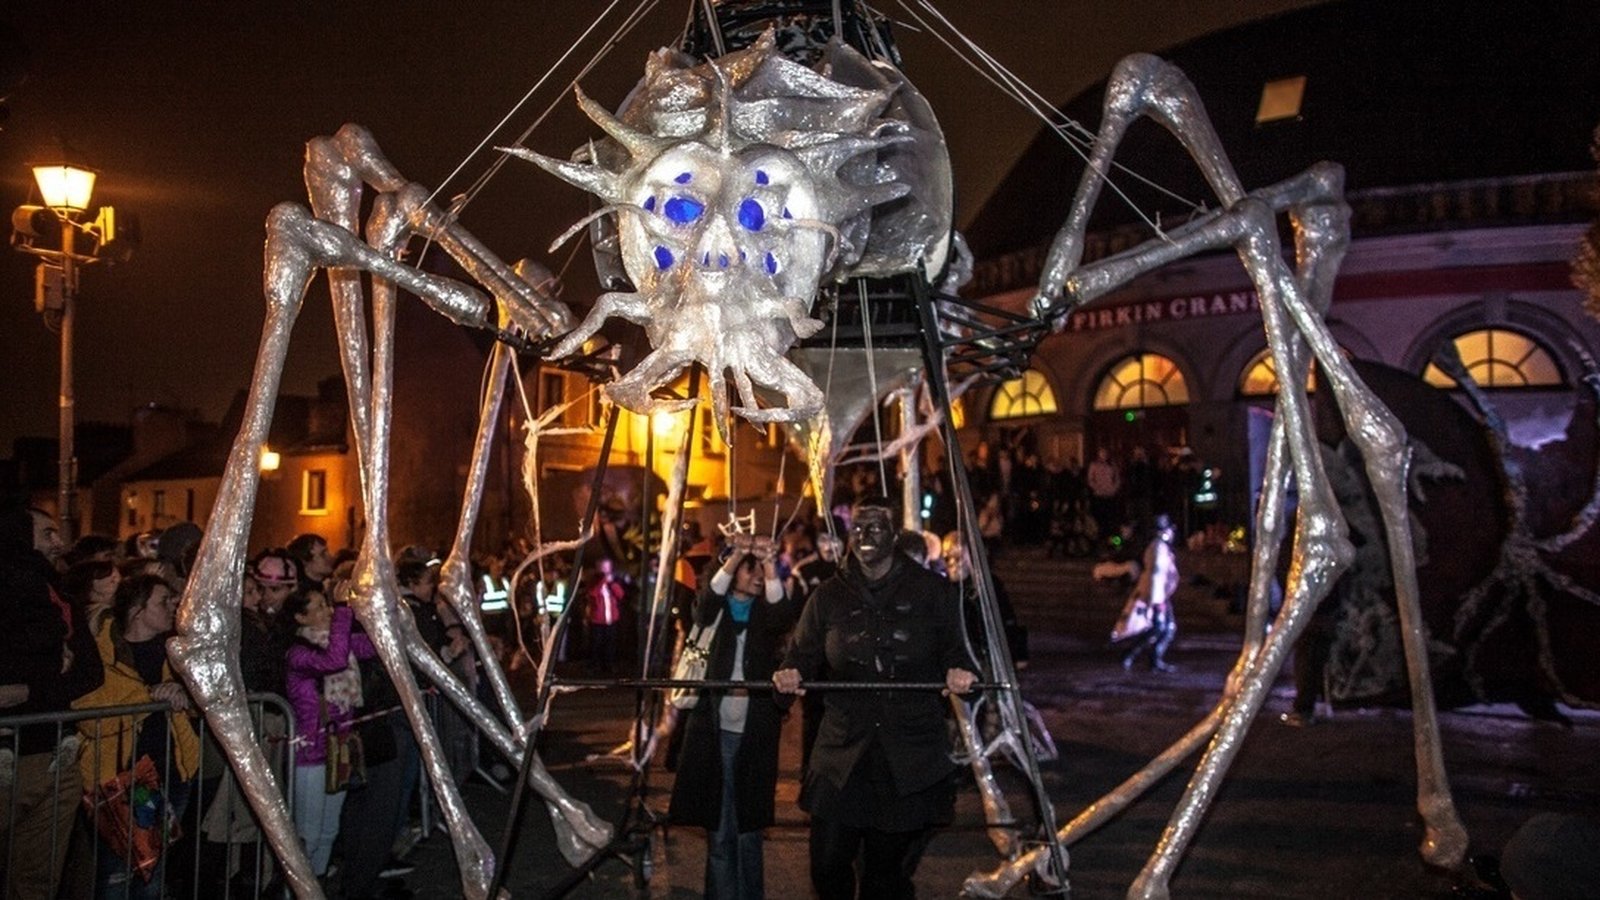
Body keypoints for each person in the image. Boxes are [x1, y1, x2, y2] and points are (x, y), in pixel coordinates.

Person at [774, 497, 977, 900]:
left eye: (875, 528)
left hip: (907, 755)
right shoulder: (828, 596)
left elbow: (961, 651)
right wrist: (791, 673)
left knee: (884, 876)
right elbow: (802, 654)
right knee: (828, 864)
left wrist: (959, 671)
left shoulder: (932, 592)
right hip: (843, 752)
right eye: (858, 529)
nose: (864, 537)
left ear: (895, 535)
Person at [668, 537, 796, 899]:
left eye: (761, 570)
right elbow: (705, 602)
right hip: (715, 730)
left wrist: (770, 563)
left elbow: (782, 615)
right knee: (720, 829)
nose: (756, 576)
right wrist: (738, 552)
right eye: (749, 568)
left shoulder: (764, 615)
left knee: (749, 830)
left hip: (754, 732)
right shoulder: (717, 609)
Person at [72, 573, 200, 900]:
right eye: (162, 602)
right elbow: (88, 705)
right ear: (137, 610)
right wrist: (149, 695)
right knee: (115, 873)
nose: (171, 608)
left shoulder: (176, 652)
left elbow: (201, 702)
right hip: (121, 780)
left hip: (171, 774)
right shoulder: (102, 653)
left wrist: (184, 689)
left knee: (152, 872)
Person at [0, 505, 105, 900]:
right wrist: (46, 670)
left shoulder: (57, 595)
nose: (59, 542)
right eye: (47, 533)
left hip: (54, 759)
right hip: (7, 755)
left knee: (36, 880)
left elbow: (89, 671)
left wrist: (28, 691)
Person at [281, 586, 376, 878]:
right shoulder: (298, 653)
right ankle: (295, 888)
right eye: (320, 607)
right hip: (310, 752)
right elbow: (332, 661)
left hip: (339, 746)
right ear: (300, 617)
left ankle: (318, 882)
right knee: (307, 834)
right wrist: (344, 610)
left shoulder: (338, 641)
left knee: (328, 829)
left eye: (328, 605)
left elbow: (373, 645)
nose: (329, 612)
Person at [1121, 514, 1180, 673]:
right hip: (1156, 596)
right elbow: (1156, 576)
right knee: (1159, 628)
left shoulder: (1160, 547)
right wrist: (1157, 601)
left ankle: (1150, 659)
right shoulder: (1158, 548)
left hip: (1160, 595)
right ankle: (1135, 655)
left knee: (1164, 628)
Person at [583, 557, 625, 675]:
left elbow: (620, 595)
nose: (606, 570)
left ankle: (609, 665)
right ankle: (593, 666)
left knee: (610, 644)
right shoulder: (594, 582)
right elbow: (592, 593)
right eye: (604, 567)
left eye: (608, 567)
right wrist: (602, 580)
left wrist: (611, 583)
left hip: (611, 620)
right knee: (596, 644)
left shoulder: (613, 582)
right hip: (597, 620)